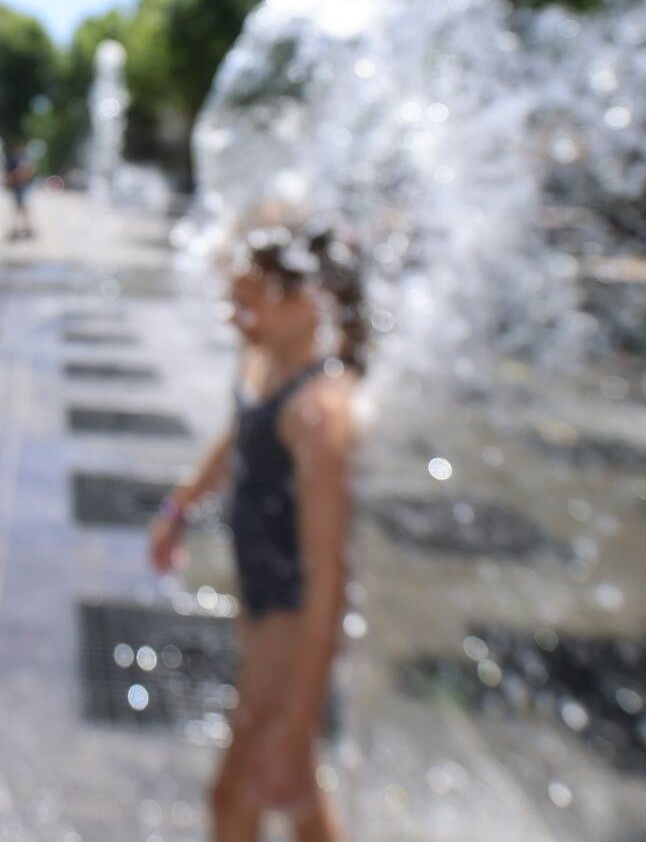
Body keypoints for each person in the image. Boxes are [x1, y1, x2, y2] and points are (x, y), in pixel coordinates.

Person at [149, 218, 361, 842]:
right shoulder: (266, 356)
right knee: (297, 801)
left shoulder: (321, 414)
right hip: (263, 609)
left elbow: (329, 581)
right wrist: (178, 509)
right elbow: (237, 438)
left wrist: (298, 719)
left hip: (292, 629)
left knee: (235, 798)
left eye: (248, 302)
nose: (233, 317)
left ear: (306, 301)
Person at [3, 145, 36, 241]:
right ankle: (21, 228)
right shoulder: (17, 160)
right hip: (18, 186)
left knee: (21, 208)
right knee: (19, 208)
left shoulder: (21, 160)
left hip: (21, 186)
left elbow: (28, 171)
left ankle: (24, 228)